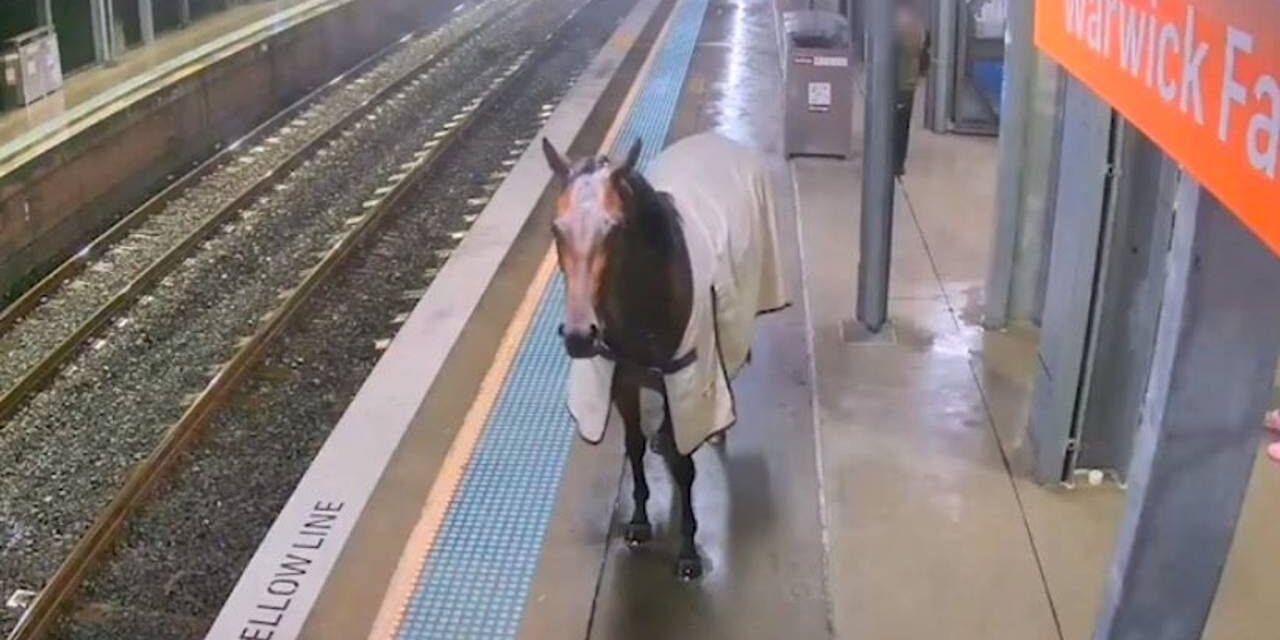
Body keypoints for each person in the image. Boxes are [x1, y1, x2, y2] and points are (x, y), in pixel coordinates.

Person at [893, 2, 928, 177]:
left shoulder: (902, 23)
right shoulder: (916, 23)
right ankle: (898, 164)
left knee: (896, 125)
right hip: (907, 82)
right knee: (902, 125)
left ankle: (894, 163)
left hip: (899, 82)